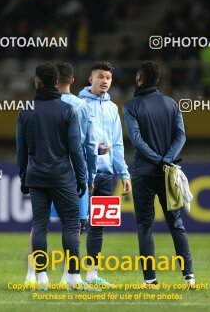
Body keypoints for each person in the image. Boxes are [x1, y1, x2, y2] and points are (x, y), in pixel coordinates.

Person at [23, 62, 98, 289]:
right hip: (67, 175)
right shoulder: (76, 107)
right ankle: (71, 276)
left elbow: (23, 147)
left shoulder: (30, 108)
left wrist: (23, 174)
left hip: (37, 174)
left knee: (38, 224)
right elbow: (84, 145)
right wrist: (86, 176)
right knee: (72, 224)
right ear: (71, 80)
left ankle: (34, 275)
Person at [122, 61, 194, 287]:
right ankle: (189, 276)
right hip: (168, 173)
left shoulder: (131, 107)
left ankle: (150, 279)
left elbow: (137, 141)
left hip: (143, 172)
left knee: (145, 225)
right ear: (158, 81)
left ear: (139, 79)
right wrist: (167, 159)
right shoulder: (171, 104)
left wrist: (155, 159)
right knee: (176, 223)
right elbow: (181, 136)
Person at [78, 61, 131, 287]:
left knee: (98, 226)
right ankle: (70, 274)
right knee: (78, 225)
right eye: (100, 76)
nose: (104, 81)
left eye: (108, 78)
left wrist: (124, 173)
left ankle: (92, 274)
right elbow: (75, 142)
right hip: (83, 175)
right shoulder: (78, 105)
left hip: (106, 175)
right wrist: (93, 150)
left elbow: (117, 144)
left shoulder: (112, 109)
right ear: (90, 79)